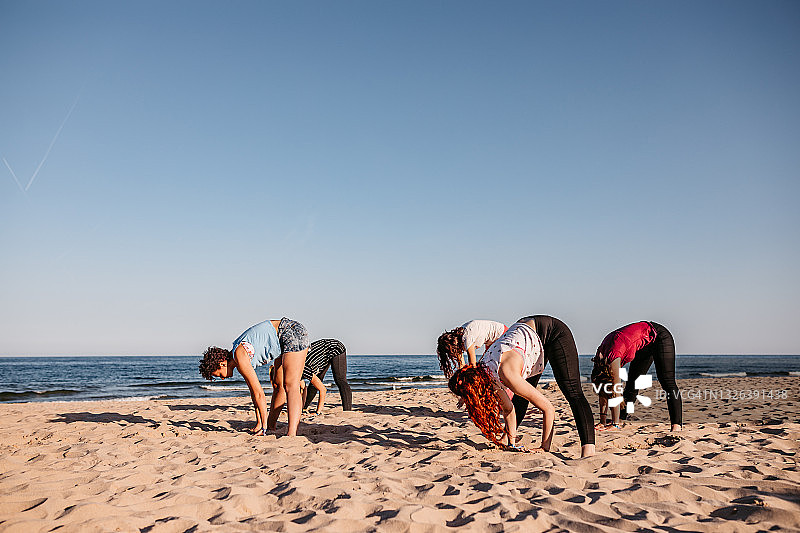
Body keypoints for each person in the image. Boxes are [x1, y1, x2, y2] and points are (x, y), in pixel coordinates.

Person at [447, 318, 554, 452]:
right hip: (513, 339)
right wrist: (511, 444)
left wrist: (544, 448)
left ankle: (545, 446)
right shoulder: (487, 378)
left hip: (541, 334)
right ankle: (509, 441)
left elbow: (549, 408)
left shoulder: (505, 375)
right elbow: (509, 410)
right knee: (510, 404)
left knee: (533, 401)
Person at [199, 317, 309, 437]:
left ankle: (291, 434)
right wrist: (259, 422)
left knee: (290, 384)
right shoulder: (237, 357)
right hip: (281, 342)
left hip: (290, 331)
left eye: (219, 375)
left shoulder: (239, 355)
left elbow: (259, 394)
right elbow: (254, 394)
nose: (222, 378)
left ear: (221, 364)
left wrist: (263, 428)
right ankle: (270, 426)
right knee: (278, 385)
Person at [510, 315, 596, 458]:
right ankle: (508, 437)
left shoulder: (505, 355)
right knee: (523, 391)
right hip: (531, 339)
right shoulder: (504, 354)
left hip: (555, 333)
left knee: (573, 391)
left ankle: (588, 451)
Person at [591, 321, 682, 432]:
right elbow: (603, 393)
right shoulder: (599, 360)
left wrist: (614, 425)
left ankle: (676, 425)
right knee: (632, 384)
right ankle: (621, 419)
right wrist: (602, 422)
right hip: (642, 344)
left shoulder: (613, 357)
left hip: (659, 336)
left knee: (667, 381)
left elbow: (616, 391)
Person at [437, 320, 507, 377]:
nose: (452, 354)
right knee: (483, 366)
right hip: (490, 342)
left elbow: (473, 365)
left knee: (489, 369)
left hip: (502, 334)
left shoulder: (466, 337)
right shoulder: (458, 341)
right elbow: (461, 365)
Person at [300, 338, 352, 413]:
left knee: (340, 380)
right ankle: (304, 407)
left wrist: (317, 412)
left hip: (335, 348)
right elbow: (303, 388)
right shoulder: (296, 373)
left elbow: (323, 389)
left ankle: (347, 411)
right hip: (321, 355)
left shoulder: (305, 370)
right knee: (315, 382)